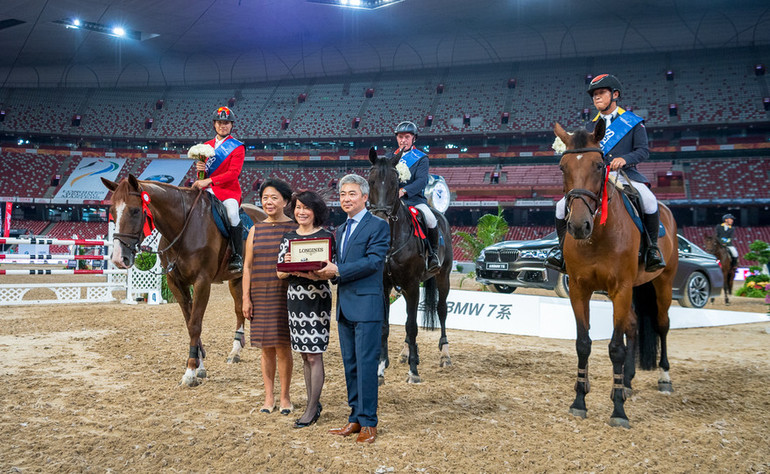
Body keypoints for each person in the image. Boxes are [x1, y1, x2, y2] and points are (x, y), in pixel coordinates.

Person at [546, 74, 665, 273]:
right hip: (597, 177)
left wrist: (625, 159)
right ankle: (561, 252)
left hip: (626, 175)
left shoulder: (633, 122)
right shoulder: (590, 126)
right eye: (594, 95)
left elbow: (643, 150)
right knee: (560, 206)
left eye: (601, 93)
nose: (597, 98)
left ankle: (652, 249)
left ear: (615, 94)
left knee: (649, 200)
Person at [315, 174, 390, 444]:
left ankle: (370, 422)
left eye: (352, 194)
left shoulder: (378, 226)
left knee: (367, 364)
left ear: (365, 197)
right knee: (351, 365)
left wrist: (339, 270)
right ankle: (355, 418)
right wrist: (326, 273)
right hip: (345, 306)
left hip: (368, 307)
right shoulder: (340, 229)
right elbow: (336, 267)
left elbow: (373, 262)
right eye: (343, 194)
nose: (346, 198)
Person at [277, 191, 336, 428]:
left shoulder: (326, 237)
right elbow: (280, 272)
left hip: (317, 298)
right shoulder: (288, 237)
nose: (302, 212)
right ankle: (314, 402)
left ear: (315, 211)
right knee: (303, 353)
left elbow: (328, 272)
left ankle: (311, 409)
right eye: (298, 207)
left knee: (314, 354)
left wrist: (302, 271)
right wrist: (292, 264)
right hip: (295, 298)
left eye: (307, 208)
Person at [242, 179, 297, 416]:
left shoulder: (295, 228)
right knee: (266, 348)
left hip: (286, 295)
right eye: (265, 197)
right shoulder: (255, 230)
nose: (268, 202)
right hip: (260, 294)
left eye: (274, 197)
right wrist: (246, 298)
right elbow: (247, 267)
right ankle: (268, 397)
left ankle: (285, 397)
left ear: (285, 201)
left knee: (284, 348)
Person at [192, 106, 245, 272]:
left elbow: (233, 174)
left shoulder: (237, 147)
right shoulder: (206, 146)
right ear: (214, 124)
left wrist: (208, 180)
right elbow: (205, 172)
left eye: (227, 123)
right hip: (208, 189)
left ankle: (237, 256)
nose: (223, 126)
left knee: (232, 215)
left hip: (228, 191)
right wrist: (200, 170)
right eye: (220, 123)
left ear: (231, 125)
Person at [387, 121, 440, 272]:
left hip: (414, 199)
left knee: (430, 219)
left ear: (413, 138)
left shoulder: (421, 158)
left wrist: (404, 191)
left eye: (407, 137)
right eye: (400, 137)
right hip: (393, 201)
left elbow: (422, 181)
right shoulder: (390, 156)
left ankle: (433, 255)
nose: (403, 140)